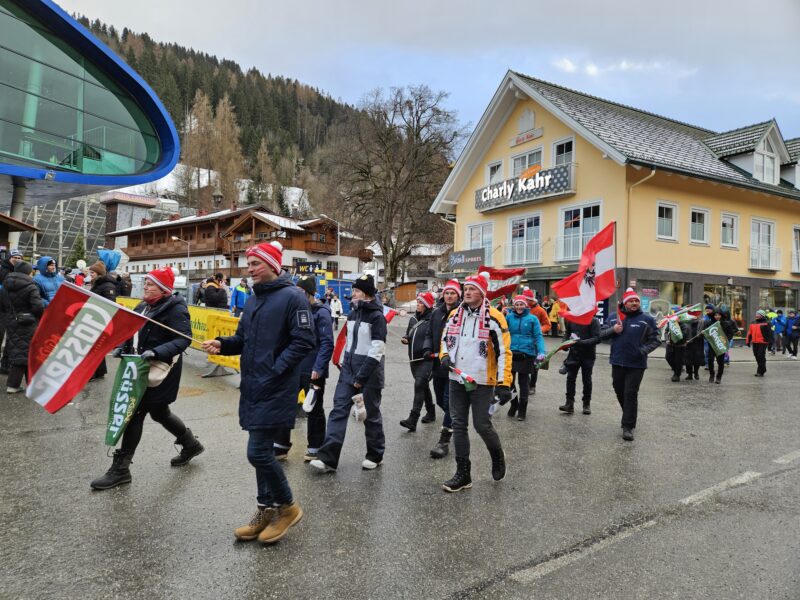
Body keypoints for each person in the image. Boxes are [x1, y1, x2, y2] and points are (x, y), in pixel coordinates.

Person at [202, 241, 314, 544]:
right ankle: (266, 510)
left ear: (273, 265)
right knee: (261, 451)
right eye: (248, 263)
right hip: (253, 385)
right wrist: (223, 344)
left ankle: (287, 508)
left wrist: (276, 369)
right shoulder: (252, 300)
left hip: (275, 386)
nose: (249, 269)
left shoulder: (293, 297)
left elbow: (304, 341)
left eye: (255, 263)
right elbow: (243, 339)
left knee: (258, 452)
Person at [90, 267, 204, 490]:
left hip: (162, 368)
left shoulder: (176, 309)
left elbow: (183, 340)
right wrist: (122, 347)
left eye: (151, 284)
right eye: (146, 283)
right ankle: (191, 444)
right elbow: (131, 330)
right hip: (141, 368)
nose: (146, 286)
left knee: (136, 412)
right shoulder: (143, 306)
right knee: (160, 412)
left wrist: (157, 351)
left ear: (163, 289)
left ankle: (121, 469)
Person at [439, 272, 512, 492]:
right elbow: (445, 339)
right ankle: (463, 474)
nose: (468, 292)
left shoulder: (495, 318)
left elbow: (504, 352)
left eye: (473, 289)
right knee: (458, 424)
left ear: (482, 293)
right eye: (466, 289)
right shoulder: (454, 315)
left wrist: (504, 382)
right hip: (457, 378)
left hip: (482, 380)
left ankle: (497, 455)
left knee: (481, 424)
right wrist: (443, 356)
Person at [310, 274, 387, 473]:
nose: (352, 294)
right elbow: (350, 343)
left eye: (357, 291)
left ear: (367, 295)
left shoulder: (377, 317)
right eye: (353, 290)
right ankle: (328, 459)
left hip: (369, 372)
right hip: (348, 370)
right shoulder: (353, 314)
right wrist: (345, 363)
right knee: (338, 410)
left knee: (370, 414)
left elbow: (377, 350)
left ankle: (375, 454)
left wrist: (361, 376)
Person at [273, 275, 334, 462]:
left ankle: (316, 447)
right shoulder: (294, 310)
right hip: (293, 367)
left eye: (299, 293)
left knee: (313, 409)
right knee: (285, 404)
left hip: (312, 369)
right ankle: (280, 446)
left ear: (308, 294)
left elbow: (327, 343)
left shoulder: (321, 312)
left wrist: (319, 367)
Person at [599, 288, 660, 441]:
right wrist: (614, 329)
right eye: (631, 301)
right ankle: (629, 413)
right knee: (619, 390)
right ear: (625, 303)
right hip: (617, 361)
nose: (634, 303)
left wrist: (642, 351)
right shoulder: (614, 318)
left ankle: (628, 426)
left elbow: (656, 339)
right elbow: (601, 335)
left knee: (630, 394)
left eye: (636, 301)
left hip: (637, 364)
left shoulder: (647, 319)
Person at [425, 279, 460, 459]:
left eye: (453, 293)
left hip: (454, 366)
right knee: (441, 400)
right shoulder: (436, 313)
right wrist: (427, 348)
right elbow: (430, 334)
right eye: (447, 293)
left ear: (458, 295)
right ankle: (455, 418)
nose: (449, 296)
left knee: (449, 402)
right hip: (437, 364)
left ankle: (444, 441)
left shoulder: (462, 313)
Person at [0, 261, 44, 393]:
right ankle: (20, 386)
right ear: (28, 272)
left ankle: (16, 385)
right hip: (28, 323)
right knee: (27, 353)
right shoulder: (31, 287)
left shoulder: (5, 286)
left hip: (12, 322)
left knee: (19, 351)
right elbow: (38, 307)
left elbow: (2, 307)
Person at [399, 292, 436, 432]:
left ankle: (412, 419)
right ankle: (431, 412)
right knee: (423, 386)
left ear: (427, 305)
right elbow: (408, 333)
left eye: (420, 302)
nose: (418, 304)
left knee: (419, 384)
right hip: (413, 359)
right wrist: (405, 338)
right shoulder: (413, 318)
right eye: (417, 302)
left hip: (426, 359)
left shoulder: (433, 319)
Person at [505, 295, 545, 421]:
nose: (519, 307)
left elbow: (538, 336)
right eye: (517, 304)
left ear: (525, 305)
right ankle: (514, 403)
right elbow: (503, 334)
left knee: (523, 383)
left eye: (521, 304)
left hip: (527, 354)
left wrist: (541, 351)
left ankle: (522, 408)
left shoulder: (532, 319)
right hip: (511, 353)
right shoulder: (509, 317)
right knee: (509, 382)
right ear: (514, 305)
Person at [559, 315, 601, 414]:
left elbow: (597, 338)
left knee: (586, 380)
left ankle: (586, 404)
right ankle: (569, 403)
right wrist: (564, 344)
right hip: (574, 354)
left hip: (588, 355)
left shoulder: (593, 320)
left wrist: (581, 342)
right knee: (570, 378)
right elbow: (567, 333)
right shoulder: (572, 320)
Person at [87, 260, 118, 381]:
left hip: (100, 318)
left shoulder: (107, 286)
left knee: (94, 347)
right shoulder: (97, 283)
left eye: (92, 272)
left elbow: (110, 303)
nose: (91, 274)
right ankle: (99, 371)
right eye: (90, 272)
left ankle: (93, 373)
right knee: (96, 347)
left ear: (99, 274)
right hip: (95, 316)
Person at [521, 287, 550, 401]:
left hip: (536, 343)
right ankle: (526, 385)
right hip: (524, 343)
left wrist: (538, 330)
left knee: (535, 365)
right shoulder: (522, 309)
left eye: (525, 300)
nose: (524, 302)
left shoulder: (540, 310)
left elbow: (547, 325)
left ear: (530, 300)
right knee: (524, 365)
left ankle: (532, 386)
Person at [0, 248, 23, 375]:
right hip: (2, 309)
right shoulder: (3, 270)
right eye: (15, 257)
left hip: (13, 309)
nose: (17, 260)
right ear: (9, 258)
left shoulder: (20, 271)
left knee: (11, 338)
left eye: (20, 258)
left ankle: (5, 365)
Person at [702, 309, 737, 384]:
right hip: (712, 345)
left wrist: (726, 340)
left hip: (721, 345)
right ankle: (712, 375)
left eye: (719, 315)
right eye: (715, 315)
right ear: (713, 316)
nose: (717, 316)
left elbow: (730, 334)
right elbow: (705, 332)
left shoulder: (726, 324)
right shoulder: (709, 323)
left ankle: (719, 377)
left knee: (720, 362)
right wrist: (704, 334)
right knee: (710, 360)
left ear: (721, 315)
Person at [746, 310, 773, 377]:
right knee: (756, 355)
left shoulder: (767, 323)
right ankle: (763, 368)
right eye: (756, 314)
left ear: (762, 315)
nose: (757, 315)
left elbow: (770, 334)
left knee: (761, 355)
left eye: (759, 314)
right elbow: (750, 333)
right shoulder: (753, 322)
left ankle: (760, 371)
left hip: (763, 342)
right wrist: (748, 341)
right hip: (755, 342)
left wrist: (770, 343)